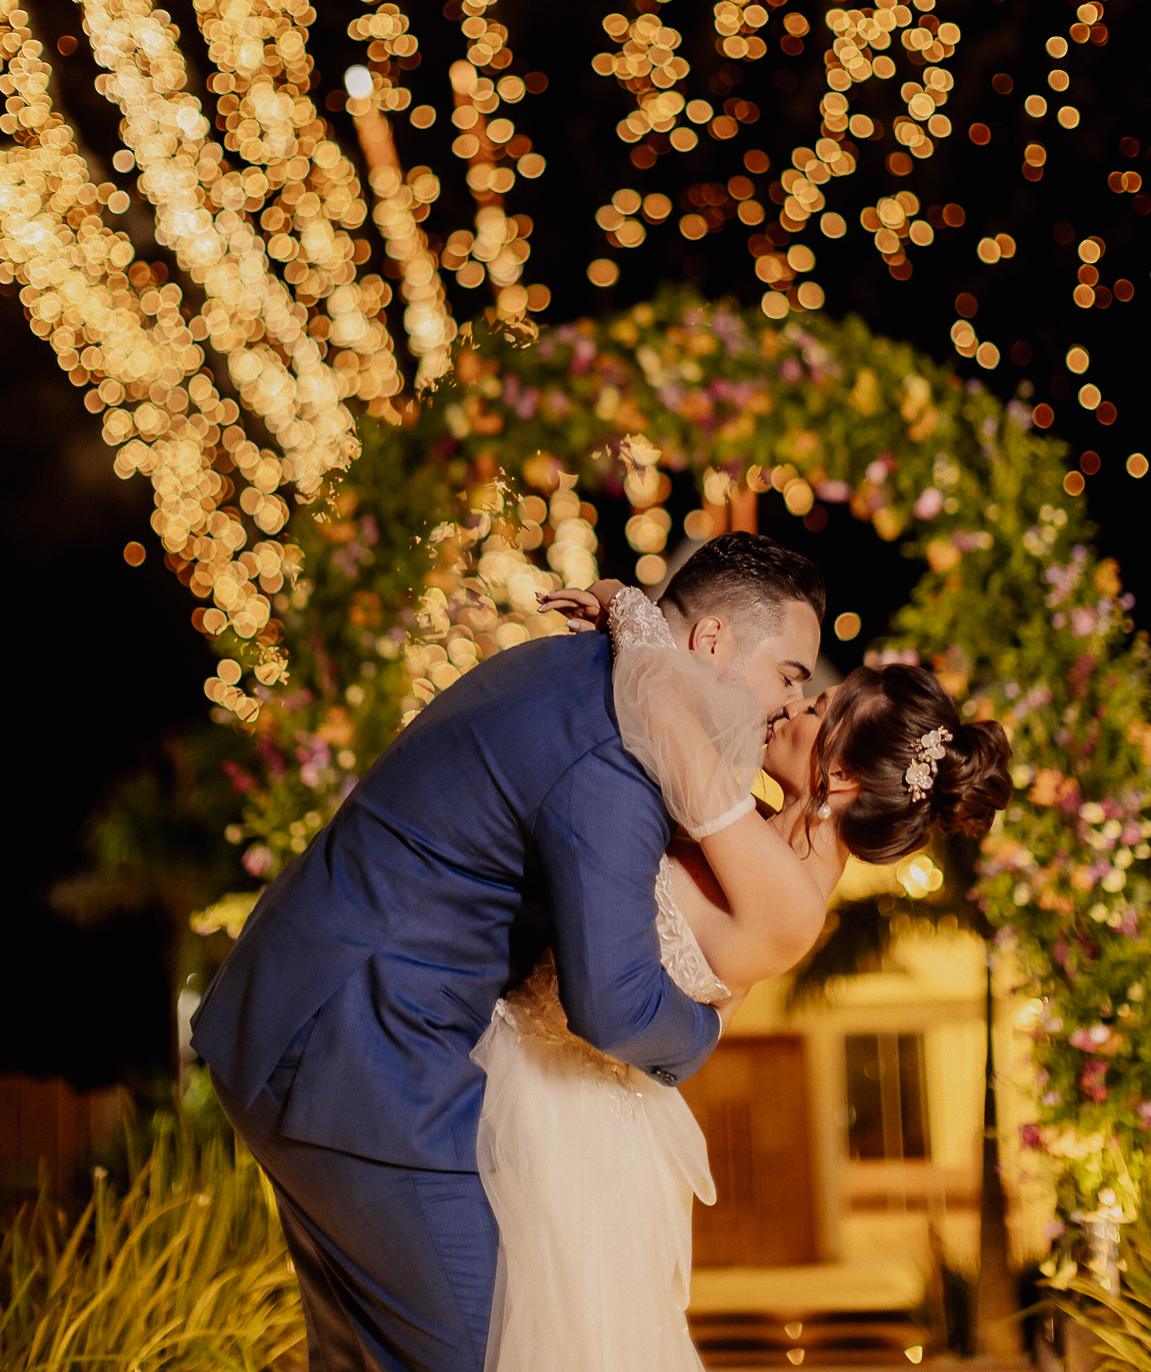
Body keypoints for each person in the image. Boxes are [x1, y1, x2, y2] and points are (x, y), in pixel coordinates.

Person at [189, 532, 825, 1372]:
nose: (789, 705)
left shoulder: (598, 676)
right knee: (483, 1347)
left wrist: (629, 609)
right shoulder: (619, 752)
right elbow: (614, 1002)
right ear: (710, 641)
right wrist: (707, 1033)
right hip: (357, 1053)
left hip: (314, 1022)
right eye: (786, 676)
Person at [471, 580, 1013, 1372]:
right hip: (540, 1072)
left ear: (840, 783)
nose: (790, 711)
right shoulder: (760, 840)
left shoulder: (789, 900)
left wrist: (628, 605)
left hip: (557, 1108)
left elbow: (665, 716)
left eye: (815, 710)